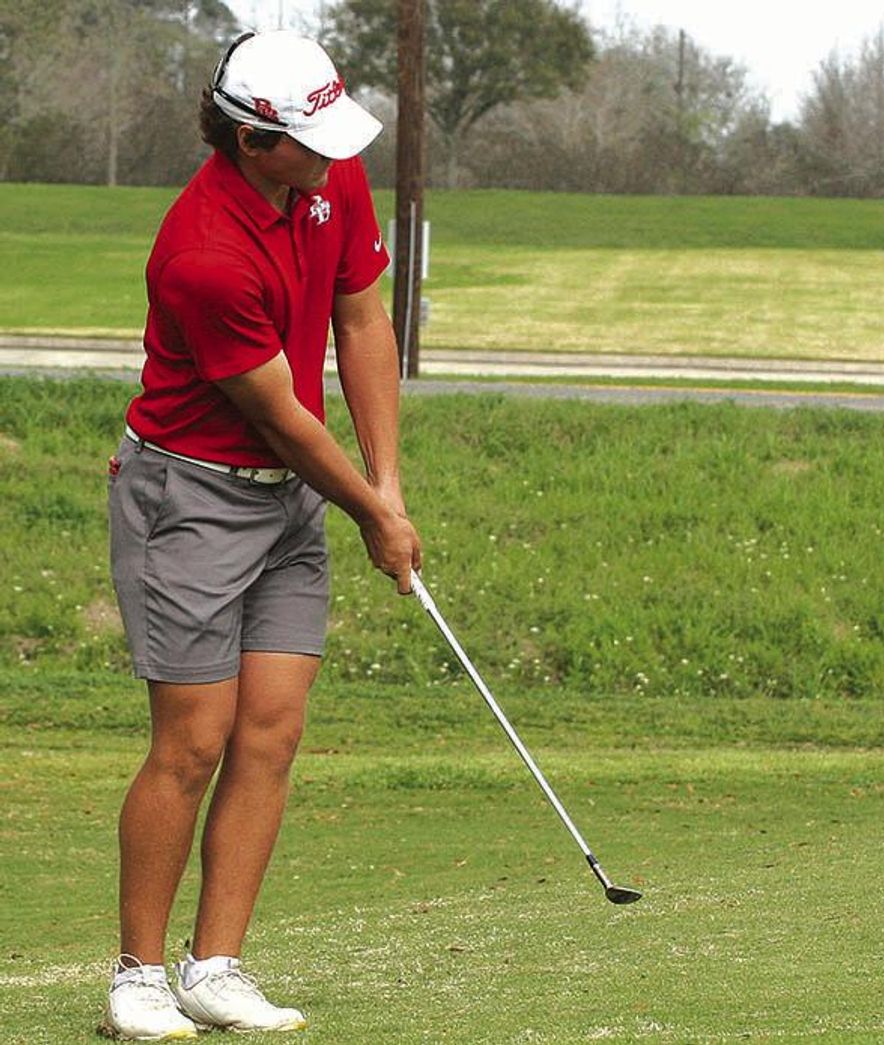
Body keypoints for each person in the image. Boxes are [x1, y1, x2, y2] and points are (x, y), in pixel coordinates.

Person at [101, 29, 421, 1040]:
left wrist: (387, 484)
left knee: (271, 728)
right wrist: (371, 515)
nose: (332, 157)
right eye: (311, 142)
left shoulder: (330, 177)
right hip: (189, 496)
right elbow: (280, 413)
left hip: (293, 498)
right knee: (192, 741)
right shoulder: (202, 252)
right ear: (251, 139)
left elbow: (362, 321)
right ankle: (138, 977)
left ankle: (218, 966)